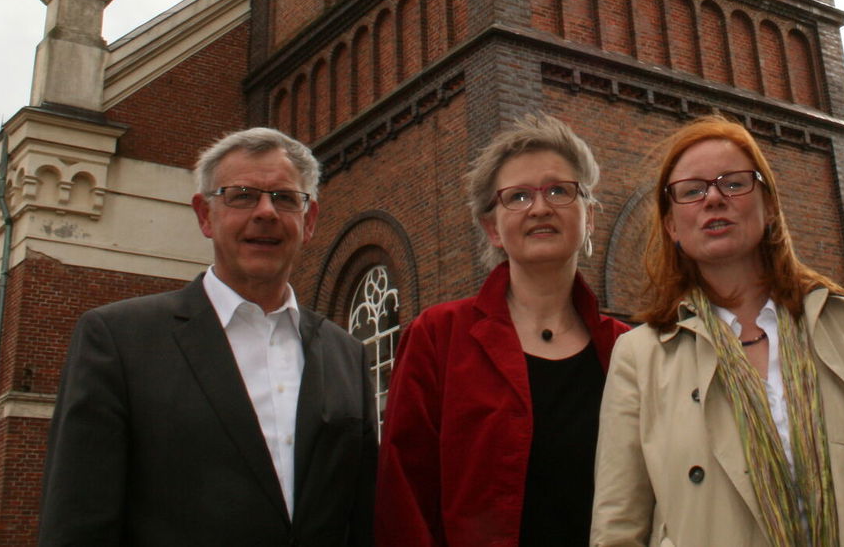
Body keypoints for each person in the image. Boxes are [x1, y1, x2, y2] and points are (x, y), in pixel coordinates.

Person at [38, 127, 376, 546]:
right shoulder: (118, 340)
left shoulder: (347, 354)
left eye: (285, 198)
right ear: (204, 215)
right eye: (242, 195)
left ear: (309, 222)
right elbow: (78, 521)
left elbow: (360, 520)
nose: (266, 212)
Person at [592, 115, 844, 547]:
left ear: (769, 207)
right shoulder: (640, 356)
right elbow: (618, 525)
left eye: (733, 183)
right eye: (692, 191)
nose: (713, 198)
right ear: (672, 226)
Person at [374, 113, 630, 547]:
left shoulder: (626, 347)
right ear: (492, 228)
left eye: (559, 190)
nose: (541, 207)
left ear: (589, 218)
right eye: (518, 197)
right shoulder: (439, 336)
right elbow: (403, 496)